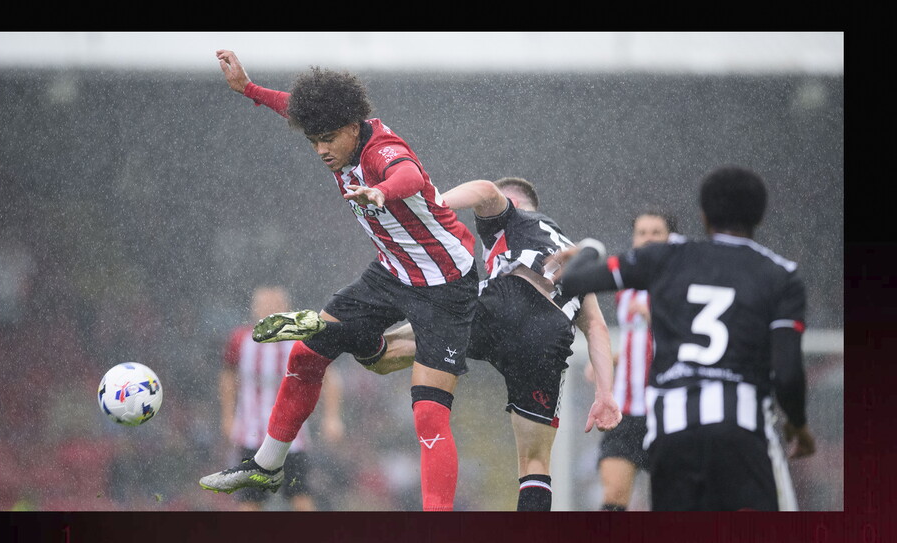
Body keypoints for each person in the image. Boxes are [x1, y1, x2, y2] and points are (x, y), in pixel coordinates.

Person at [200, 50, 479, 512]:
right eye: (313, 141)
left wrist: (381, 191)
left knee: (429, 411)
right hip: (391, 271)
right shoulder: (335, 131)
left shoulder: (381, 151)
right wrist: (248, 88)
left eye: (328, 139)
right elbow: (294, 105)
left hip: (446, 284)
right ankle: (266, 464)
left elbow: (407, 173)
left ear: (354, 125)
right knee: (307, 352)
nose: (321, 150)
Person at [549, 165, 816, 511]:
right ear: (760, 216)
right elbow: (789, 373)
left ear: (704, 216)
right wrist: (798, 424)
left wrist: (590, 249)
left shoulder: (667, 258)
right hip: (741, 432)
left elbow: (572, 281)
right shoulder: (781, 275)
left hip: (674, 430)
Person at [359, 177, 622, 511]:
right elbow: (596, 325)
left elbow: (485, 190)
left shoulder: (516, 216)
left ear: (515, 200)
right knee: (535, 463)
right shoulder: (571, 252)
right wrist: (605, 393)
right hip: (550, 334)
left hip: (510, 297)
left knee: (388, 352)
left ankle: (353, 333)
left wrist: (430, 205)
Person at [215, 286, 344, 511]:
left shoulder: (303, 340)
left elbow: (329, 377)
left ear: (286, 308)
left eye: (275, 304)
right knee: (249, 502)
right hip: (252, 435)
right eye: (263, 304)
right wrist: (227, 416)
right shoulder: (240, 340)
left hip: (292, 438)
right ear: (254, 308)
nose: (269, 309)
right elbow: (227, 376)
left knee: (301, 497)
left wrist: (332, 417)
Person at [585, 209, 679, 511]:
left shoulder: (682, 282)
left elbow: (692, 337)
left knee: (670, 502)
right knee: (613, 497)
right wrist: (608, 361)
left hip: (667, 411)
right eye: (642, 233)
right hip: (625, 410)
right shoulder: (626, 286)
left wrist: (656, 316)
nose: (648, 239)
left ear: (670, 238)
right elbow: (636, 340)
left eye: (656, 232)